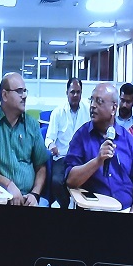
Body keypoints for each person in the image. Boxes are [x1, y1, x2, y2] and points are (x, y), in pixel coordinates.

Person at [64, 82, 133, 213]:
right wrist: (98, 161)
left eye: (99, 101)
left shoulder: (130, 141)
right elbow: (70, 180)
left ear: (113, 109)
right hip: (93, 207)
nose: (92, 105)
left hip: (127, 209)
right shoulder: (81, 136)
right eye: (92, 100)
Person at [0, 72, 47, 206]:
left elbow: (41, 167)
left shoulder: (32, 125)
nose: (24, 96)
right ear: (5, 95)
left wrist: (35, 194)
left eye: (25, 91)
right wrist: (8, 185)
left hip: (28, 198)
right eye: (19, 91)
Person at [45, 77, 90, 208]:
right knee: (56, 181)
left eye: (78, 92)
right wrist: (51, 145)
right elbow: (49, 138)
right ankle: (66, 206)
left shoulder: (88, 111)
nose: (75, 95)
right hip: (62, 156)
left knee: (88, 182)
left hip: (81, 157)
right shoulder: (58, 112)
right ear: (67, 93)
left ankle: (81, 206)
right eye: (72, 92)